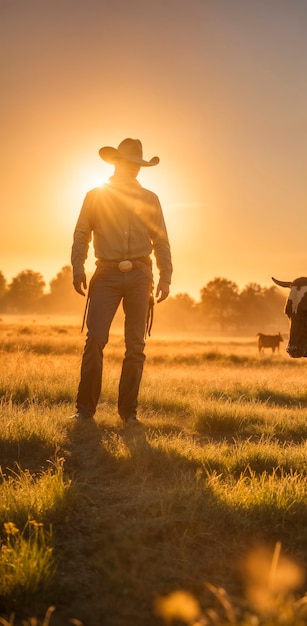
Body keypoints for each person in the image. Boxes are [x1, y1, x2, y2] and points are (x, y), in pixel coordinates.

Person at [71, 138, 172, 424]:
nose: (132, 170)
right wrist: (78, 266)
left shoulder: (150, 199)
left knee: (136, 346)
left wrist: (166, 276)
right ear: (116, 163)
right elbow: (82, 234)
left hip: (141, 275)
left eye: (137, 165)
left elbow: (161, 240)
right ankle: (84, 411)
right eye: (128, 163)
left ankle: (128, 413)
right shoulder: (95, 196)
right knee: (95, 339)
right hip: (106, 274)